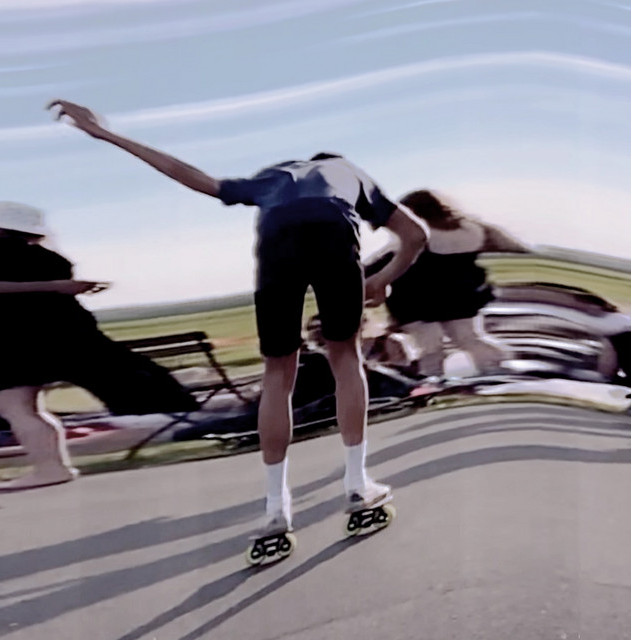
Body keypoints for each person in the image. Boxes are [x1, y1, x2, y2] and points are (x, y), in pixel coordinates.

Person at [47, 99, 428, 535]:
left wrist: (105, 133)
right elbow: (415, 234)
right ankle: (357, 484)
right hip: (333, 231)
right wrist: (381, 280)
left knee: (278, 375)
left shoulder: (272, 178)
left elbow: (192, 177)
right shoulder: (347, 170)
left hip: (277, 243)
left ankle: (275, 506)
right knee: (345, 359)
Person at [0, 201, 198, 492]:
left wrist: (50, 287)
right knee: (28, 407)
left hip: (16, 340)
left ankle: (50, 468)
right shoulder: (52, 258)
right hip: (72, 333)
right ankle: (54, 467)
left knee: (18, 408)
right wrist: (58, 287)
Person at [365, 189, 529, 381]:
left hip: (415, 301)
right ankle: (500, 367)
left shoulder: (415, 235)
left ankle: (432, 380)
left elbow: (383, 261)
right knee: (470, 339)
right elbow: (516, 249)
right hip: (461, 298)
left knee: (430, 347)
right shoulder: (474, 231)